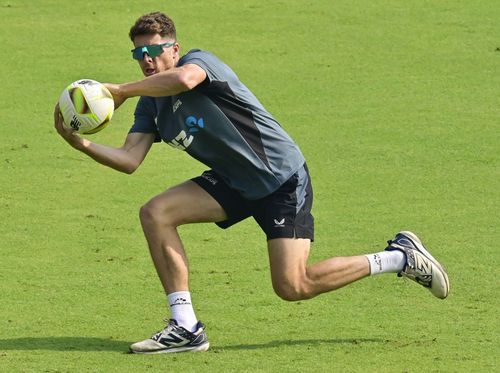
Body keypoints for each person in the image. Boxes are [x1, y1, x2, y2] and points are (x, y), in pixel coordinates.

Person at [54, 12, 449, 354]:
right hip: (233, 182)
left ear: (174, 48)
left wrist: (119, 90)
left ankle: (399, 256)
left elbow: (186, 80)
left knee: (294, 285)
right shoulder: (150, 103)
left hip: (280, 180)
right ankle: (186, 327)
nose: (147, 60)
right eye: (138, 54)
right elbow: (129, 160)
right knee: (155, 213)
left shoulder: (199, 63)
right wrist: (80, 142)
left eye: (154, 49)